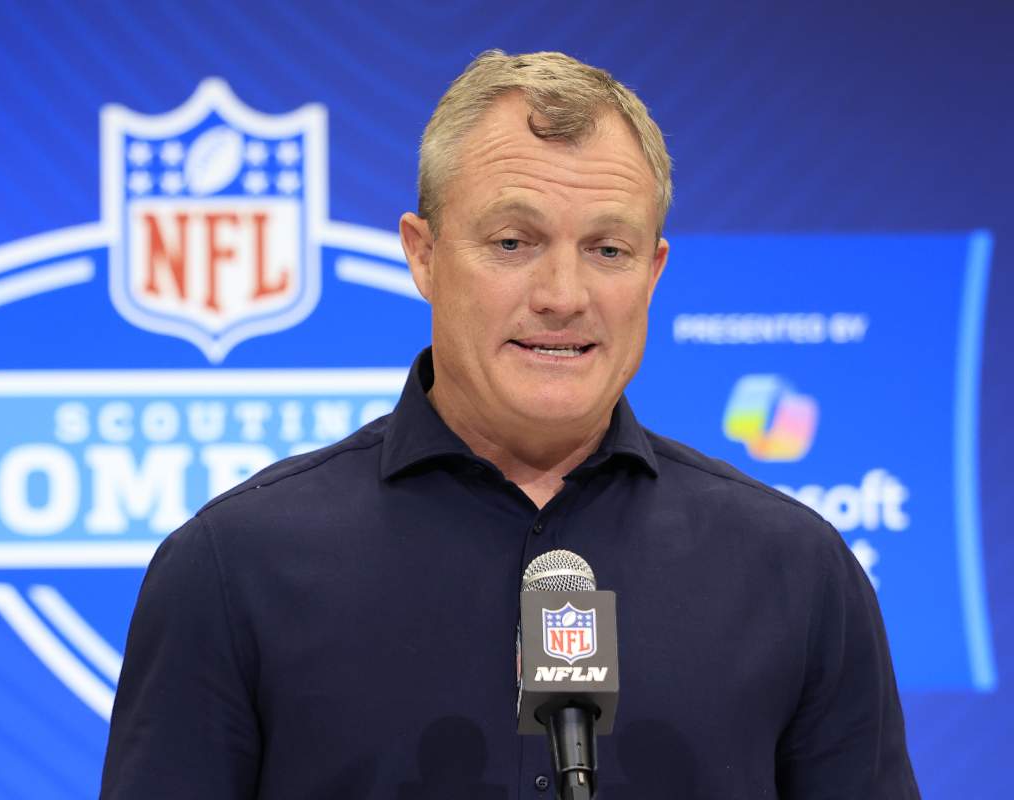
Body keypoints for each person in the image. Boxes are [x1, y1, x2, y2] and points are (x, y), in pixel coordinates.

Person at [101, 50, 919, 799]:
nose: (563, 295)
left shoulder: (796, 571)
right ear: (422, 255)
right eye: (513, 242)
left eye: (608, 249)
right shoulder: (233, 568)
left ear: (654, 271)